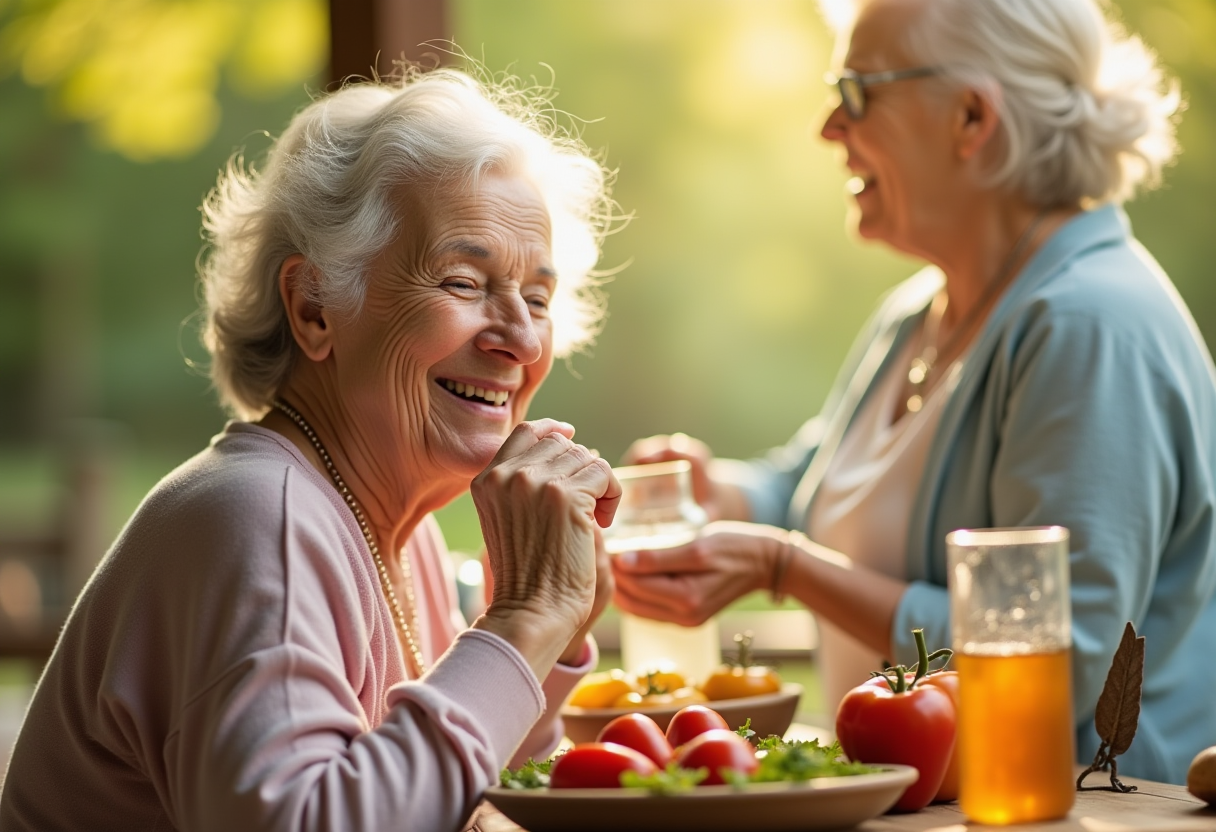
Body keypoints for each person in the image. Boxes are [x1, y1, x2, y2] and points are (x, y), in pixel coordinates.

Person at [0, 66, 623, 831]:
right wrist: (521, 621)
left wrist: (549, 635)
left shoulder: (399, 529)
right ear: (314, 308)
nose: (521, 339)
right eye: (465, 283)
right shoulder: (259, 515)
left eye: (536, 298)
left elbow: (453, 806)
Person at [613, 0, 1216, 785]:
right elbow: (816, 488)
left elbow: (1057, 662)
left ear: (971, 117)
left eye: (858, 91)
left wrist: (784, 570)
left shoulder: (1090, 326)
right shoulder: (922, 310)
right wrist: (721, 493)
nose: (829, 127)